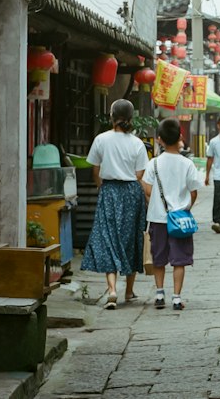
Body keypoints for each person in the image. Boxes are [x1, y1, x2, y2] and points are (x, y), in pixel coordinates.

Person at [80, 99, 149, 309]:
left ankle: (112, 290)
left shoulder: (101, 139)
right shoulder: (137, 143)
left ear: (111, 117)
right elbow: (139, 174)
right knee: (131, 239)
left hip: (108, 191)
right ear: (131, 118)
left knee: (108, 239)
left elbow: (94, 169)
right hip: (131, 193)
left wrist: (102, 187)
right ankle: (129, 291)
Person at [142, 117, 200, 311]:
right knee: (179, 259)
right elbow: (193, 192)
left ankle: (159, 294)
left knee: (158, 258)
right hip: (180, 219)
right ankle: (176, 298)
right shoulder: (187, 164)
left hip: (158, 218)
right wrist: (185, 208)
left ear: (160, 139)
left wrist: (158, 204)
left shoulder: (154, 164)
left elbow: (147, 189)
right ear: (180, 137)